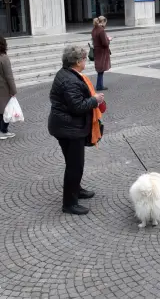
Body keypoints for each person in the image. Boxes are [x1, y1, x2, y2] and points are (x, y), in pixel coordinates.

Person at [48, 45, 105, 215]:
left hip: (65, 126)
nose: (86, 61)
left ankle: (76, 190)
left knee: (74, 164)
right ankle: (69, 203)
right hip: (69, 129)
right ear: (78, 61)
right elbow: (78, 107)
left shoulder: (67, 74)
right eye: (85, 58)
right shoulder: (70, 80)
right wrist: (95, 100)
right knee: (75, 166)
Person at [0, 36, 17, 140]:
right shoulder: (3, 58)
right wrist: (13, 90)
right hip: (3, 88)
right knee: (6, 110)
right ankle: (3, 131)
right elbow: (9, 76)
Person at [92, 16, 112, 91]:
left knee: (100, 69)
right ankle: (99, 86)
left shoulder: (94, 29)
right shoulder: (101, 30)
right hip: (102, 51)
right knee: (101, 69)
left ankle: (99, 85)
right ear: (103, 22)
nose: (106, 24)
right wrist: (108, 39)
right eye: (105, 23)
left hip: (97, 50)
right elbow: (105, 43)